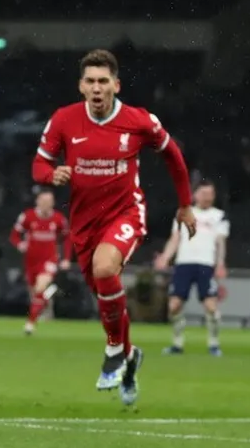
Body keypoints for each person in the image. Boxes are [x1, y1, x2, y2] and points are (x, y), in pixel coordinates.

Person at [32, 48, 195, 407]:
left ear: (116, 85)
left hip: (125, 214)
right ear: (81, 86)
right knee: (107, 294)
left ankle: (113, 350)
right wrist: (51, 175)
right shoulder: (64, 120)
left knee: (105, 269)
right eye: (90, 81)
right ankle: (130, 357)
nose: (97, 87)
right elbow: (39, 164)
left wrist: (185, 204)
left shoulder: (138, 121)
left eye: (103, 81)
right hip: (84, 224)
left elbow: (173, 154)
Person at [153, 181, 229, 356]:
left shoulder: (219, 216)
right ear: (195, 195)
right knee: (174, 306)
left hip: (206, 265)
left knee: (211, 307)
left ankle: (214, 344)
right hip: (184, 263)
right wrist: (165, 257)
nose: (208, 197)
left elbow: (221, 242)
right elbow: (175, 238)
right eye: (204, 193)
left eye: (210, 194)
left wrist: (220, 263)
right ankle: (177, 343)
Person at [9, 189, 71, 335]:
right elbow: (14, 236)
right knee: (35, 294)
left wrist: (66, 259)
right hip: (31, 261)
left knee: (40, 287)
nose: (46, 204)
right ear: (37, 201)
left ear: (53, 203)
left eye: (49, 201)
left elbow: (67, 238)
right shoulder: (27, 216)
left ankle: (30, 323)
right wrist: (20, 245)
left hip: (49, 260)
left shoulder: (58, 219)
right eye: (43, 201)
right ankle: (46, 306)